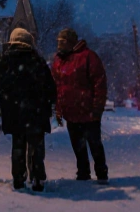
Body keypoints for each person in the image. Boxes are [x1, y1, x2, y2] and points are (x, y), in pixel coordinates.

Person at [0, 28, 56, 192]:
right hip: (36, 112)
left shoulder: (4, 61)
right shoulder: (38, 61)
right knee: (36, 147)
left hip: (14, 112)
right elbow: (50, 87)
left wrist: (7, 99)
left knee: (18, 145)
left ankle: (18, 178)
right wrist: (47, 102)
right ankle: (37, 177)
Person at [51, 27, 109, 183]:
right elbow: (57, 87)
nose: (59, 45)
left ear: (71, 42)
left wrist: (97, 107)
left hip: (88, 111)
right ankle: (83, 172)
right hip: (71, 112)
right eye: (58, 42)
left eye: (62, 42)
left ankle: (101, 173)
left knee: (94, 144)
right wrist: (59, 109)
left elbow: (99, 83)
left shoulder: (88, 57)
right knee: (78, 146)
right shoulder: (59, 60)